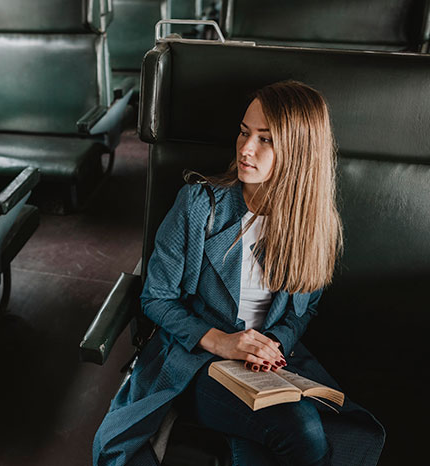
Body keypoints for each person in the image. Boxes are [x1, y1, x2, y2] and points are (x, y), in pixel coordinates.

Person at [93, 81, 385, 466]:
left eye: (267, 140)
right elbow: (155, 299)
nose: (246, 149)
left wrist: (272, 346)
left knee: (342, 435)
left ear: (300, 153)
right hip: (196, 358)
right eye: (245, 132)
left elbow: (303, 310)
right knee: (302, 432)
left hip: (271, 364)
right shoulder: (199, 205)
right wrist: (222, 343)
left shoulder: (316, 227)